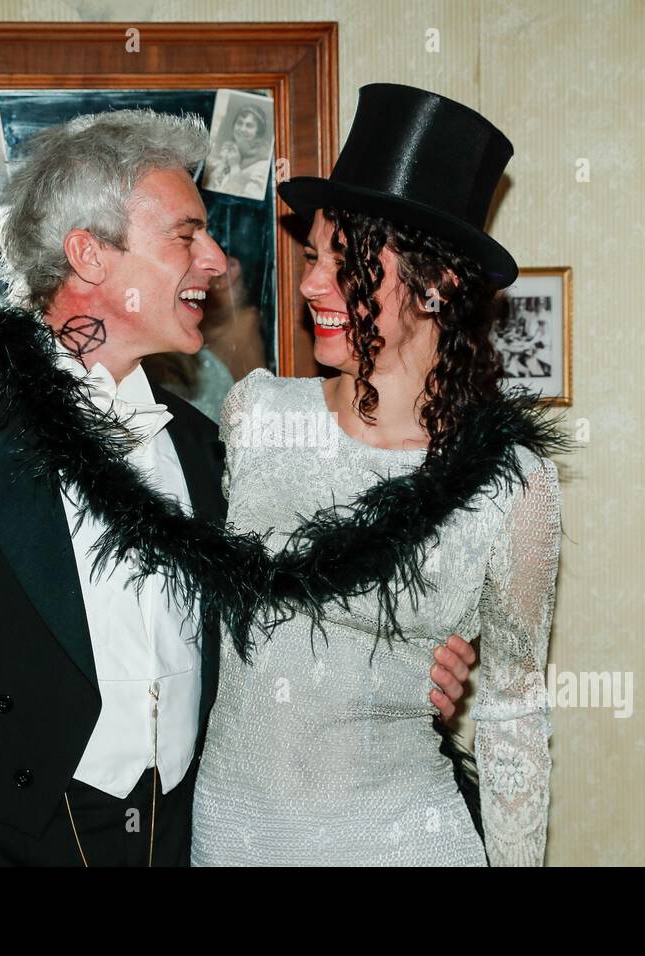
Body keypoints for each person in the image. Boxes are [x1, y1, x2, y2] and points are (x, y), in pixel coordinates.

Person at [0, 106, 474, 866]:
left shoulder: (204, 445)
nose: (216, 261)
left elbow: (281, 626)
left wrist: (406, 663)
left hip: (189, 841)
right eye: (187, 234)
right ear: (88, 255)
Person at [191, 84, 573, 866]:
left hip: (406, 840)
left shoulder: (511, 484)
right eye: (311, 257)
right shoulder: (256, 416)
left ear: (439, 285)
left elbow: (512, 714)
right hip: (231, 836)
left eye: (350, 262)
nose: (310, 286)